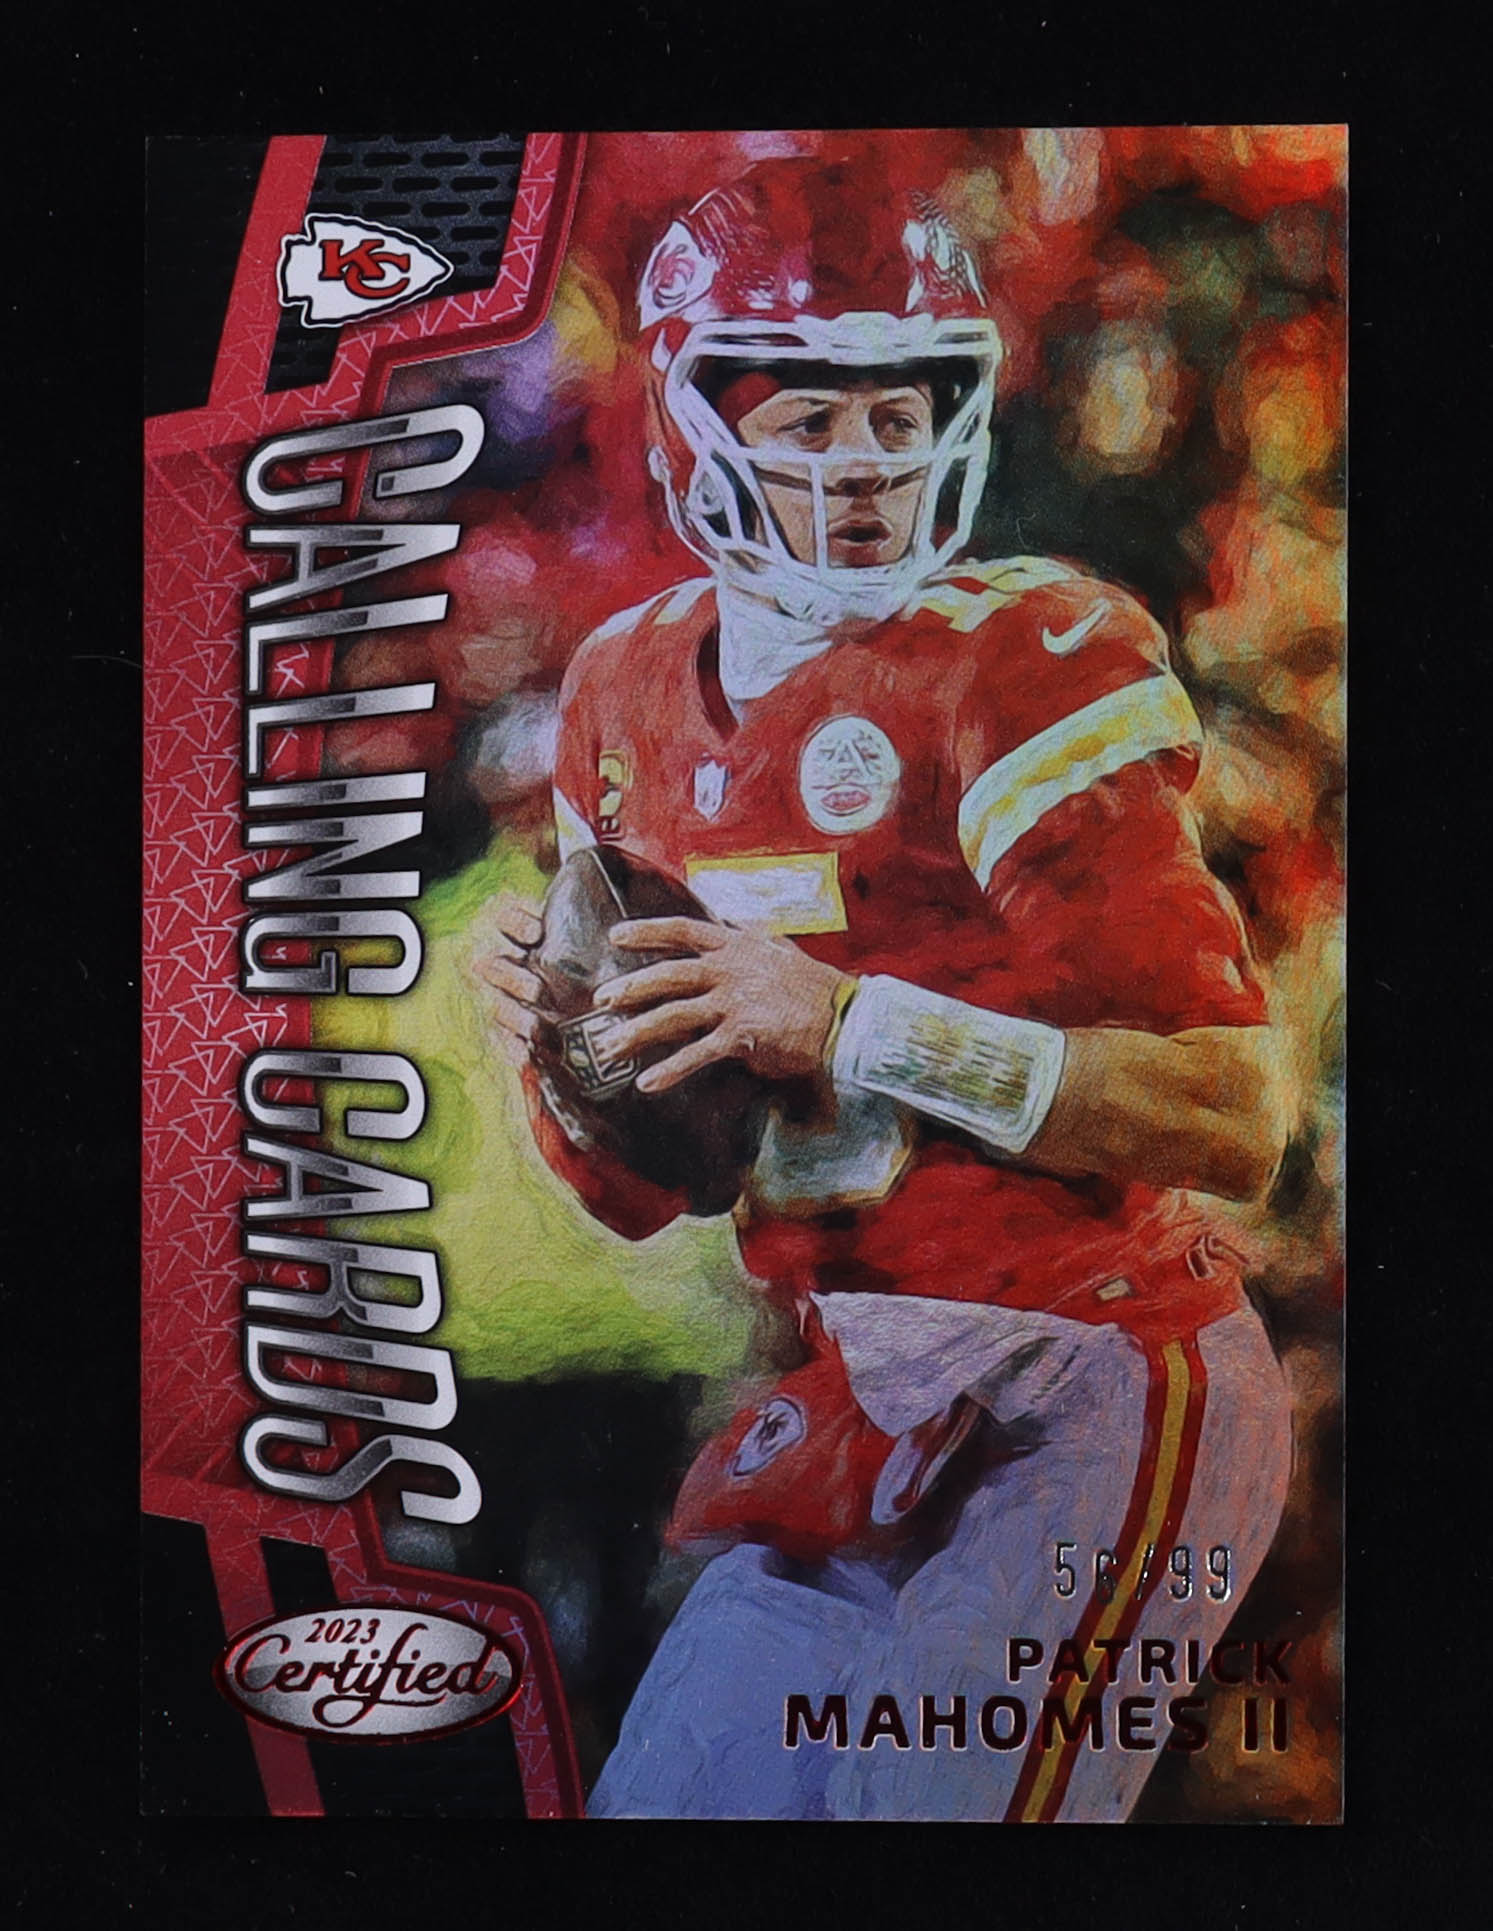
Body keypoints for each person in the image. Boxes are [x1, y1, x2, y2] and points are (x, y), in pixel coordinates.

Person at [475, 158, 1293, 1822]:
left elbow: (1230, 1116)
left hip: (1092, 1375)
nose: (863, 462)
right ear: (694, 425)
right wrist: (560, 1052)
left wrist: (851, 1025)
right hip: (859, 1389)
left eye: (897, 412)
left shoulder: (1020, 659)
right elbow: (648, 1195)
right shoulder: (625, 689)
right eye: (810, 417)